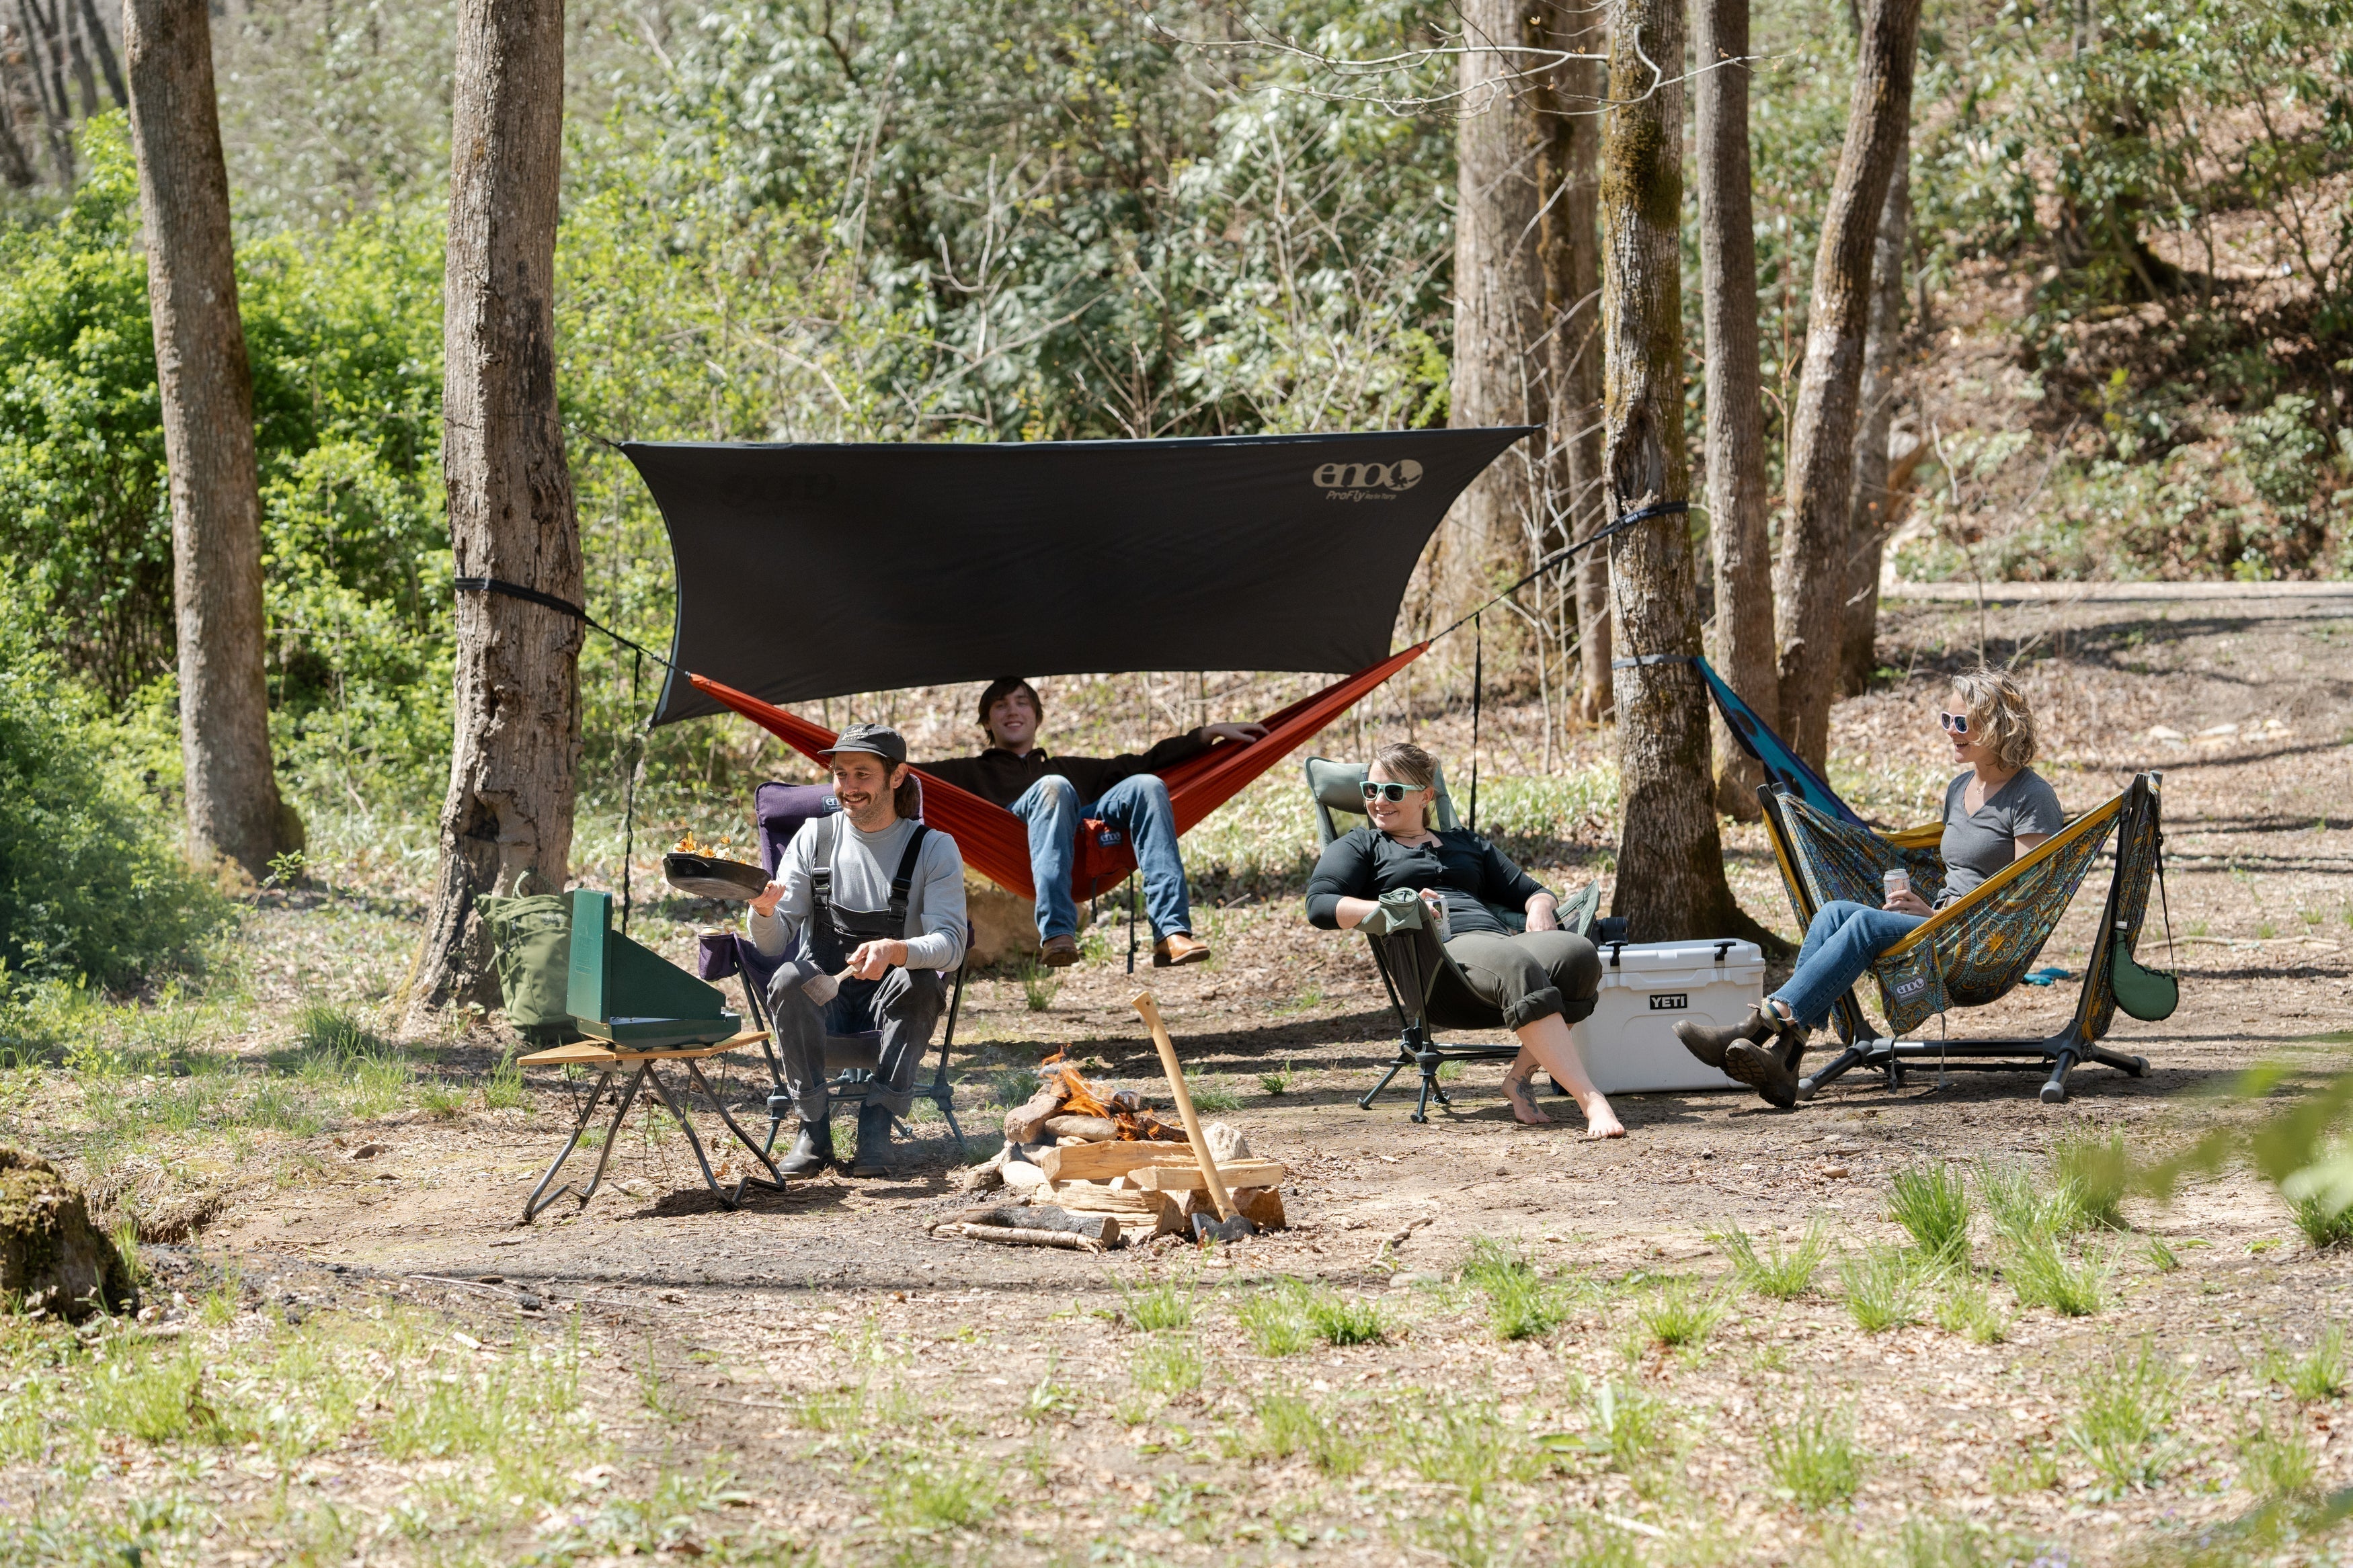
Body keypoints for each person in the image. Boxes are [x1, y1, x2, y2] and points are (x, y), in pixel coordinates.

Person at [1675, 665, 2064, 1108]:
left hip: (1980, 945)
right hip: (1941, 924)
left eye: (1961, 723)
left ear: (1996, 726)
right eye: (1946, 720)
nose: (1950, 731)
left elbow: (2024, 897)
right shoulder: (1960, 788)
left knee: (1860, 924)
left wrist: (1937, 918)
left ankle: (1761, 1023)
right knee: (1834, 912)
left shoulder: (2032, 797)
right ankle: (1786, 1057)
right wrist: (1926, 908)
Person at [1303, 741, 1624, 1139]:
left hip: (1495, 950)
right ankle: (1591, 1099)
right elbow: (1320, 904)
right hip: (1438, 967)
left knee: (1577, 953)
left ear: (1426, 796)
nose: (1378, 801)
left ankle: (1519, 1080)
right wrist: (1394, 906)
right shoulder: (1362, 845)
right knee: (1515, 962)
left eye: (1392, 791)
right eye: (1370, 790)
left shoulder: (1466, 844)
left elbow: (1532, 890)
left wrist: (1540, 907)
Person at [920, 677, 1266, 968]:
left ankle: (1171, 932)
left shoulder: (1073, 768)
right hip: (1011, 840)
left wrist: (1204, 735)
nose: (1013, 710)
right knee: (1053, 787)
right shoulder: (966, 774)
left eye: (1022, 703)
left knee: (1147, 785)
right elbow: (907, 774)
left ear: (1038, 718)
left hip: (1076, 843)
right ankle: (1057, 933)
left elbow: (1145, 762)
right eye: (1000, 705)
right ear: (986, 722)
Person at [748, 724, 967, 1178]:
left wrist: (897, 949)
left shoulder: (934, 848)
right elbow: (770, 944)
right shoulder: (814, 838)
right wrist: (765, 914)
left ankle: (877, 1121)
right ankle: (814, 1129)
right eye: (840, 773)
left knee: (923, 978)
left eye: (862, 774)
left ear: (897, 776)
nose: (849, 786)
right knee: (788, 977)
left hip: (894, 1008)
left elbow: (951, 946)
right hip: (822, 1005)